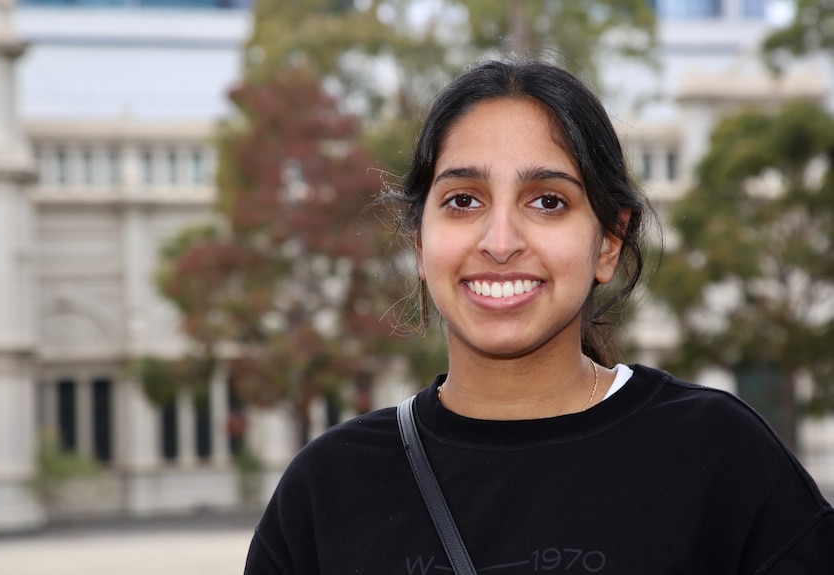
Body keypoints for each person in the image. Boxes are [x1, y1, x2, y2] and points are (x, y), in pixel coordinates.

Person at [244, 58, 834, 574]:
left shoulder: (719, 457)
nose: (500, 241)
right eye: (463, 200)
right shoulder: (327, 492)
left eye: (548, 202)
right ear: (420, 245)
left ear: (607, 241)